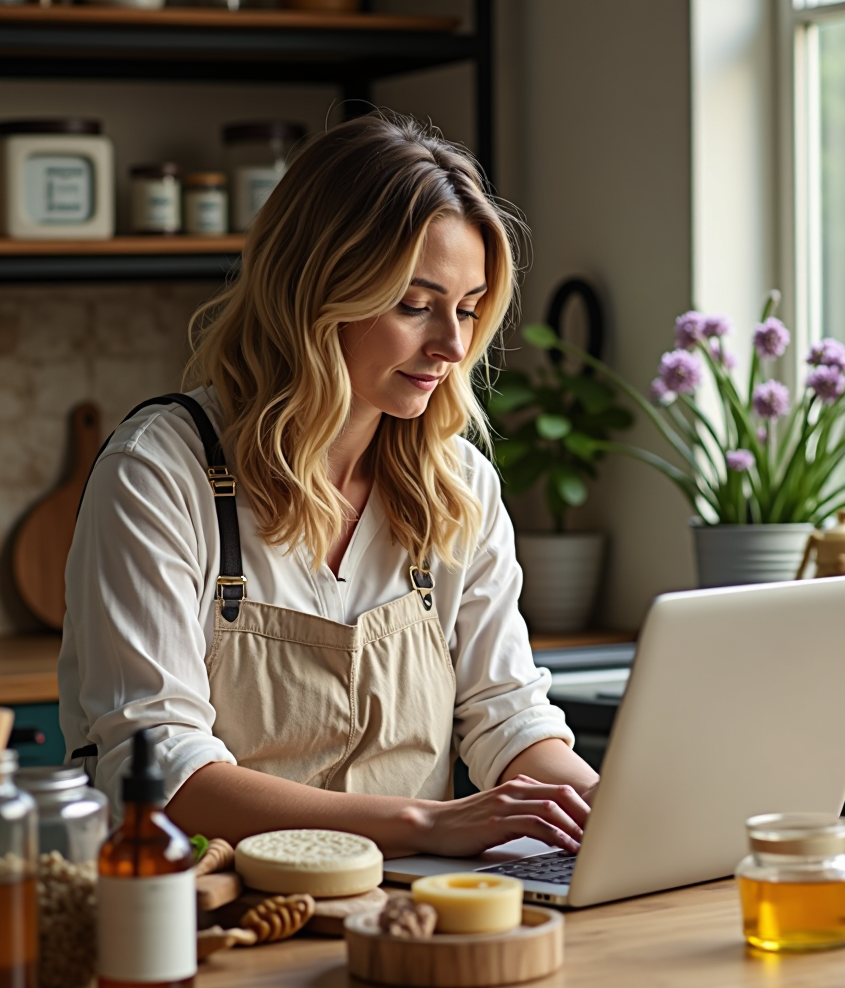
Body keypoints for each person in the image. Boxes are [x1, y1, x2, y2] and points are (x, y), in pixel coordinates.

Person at [59, 113, 598, 859]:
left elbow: (508, 718)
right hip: (207, 915)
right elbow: (161, 766)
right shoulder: (159, 474)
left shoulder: (458, 484)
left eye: (469, 310)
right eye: (415, 305)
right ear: (315, 291)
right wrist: (424, 824)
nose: (451, 344)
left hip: (404, 919)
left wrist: (603, 807)